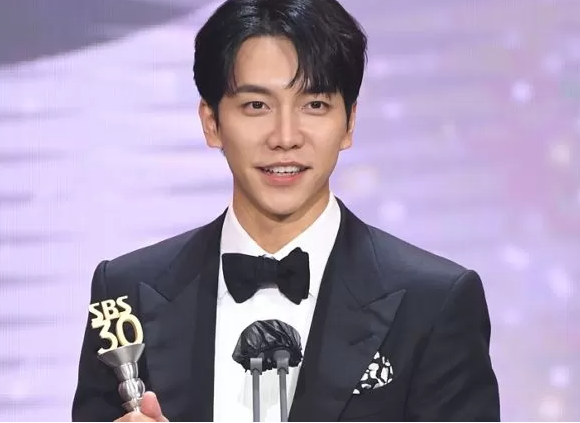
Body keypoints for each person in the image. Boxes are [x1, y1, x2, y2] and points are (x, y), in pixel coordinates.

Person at [71, 0, 501, 421]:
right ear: (211, 122)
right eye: (256, 106)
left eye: (314, 105)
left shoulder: (434, 302)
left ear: (349, 122)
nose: (285, 137)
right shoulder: (125, 293)